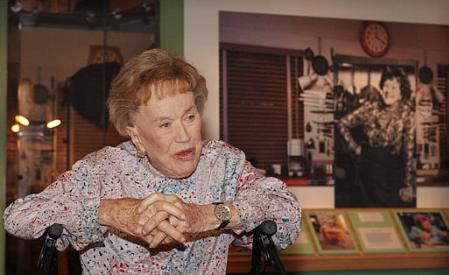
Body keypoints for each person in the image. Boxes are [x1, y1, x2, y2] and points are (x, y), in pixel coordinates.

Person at [3, 49, 301, 274]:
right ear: (136, 135)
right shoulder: (102, 171)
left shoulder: (222, 164)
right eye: (164, 124)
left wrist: (211, 215)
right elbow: (18, 217)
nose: (184, 135)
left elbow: (287, 217)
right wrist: (110, 211)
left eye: (190, 116)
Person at [338, 67, 415, 207]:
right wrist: (355, 150)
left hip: (392, 177)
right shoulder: (370, 108)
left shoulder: (407, 114)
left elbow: (408, 152)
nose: (388, 91)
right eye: (385, 86)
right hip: (367, 174)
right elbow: (342, 124)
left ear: (401, 93)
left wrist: (408, 184)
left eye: (393, 87)